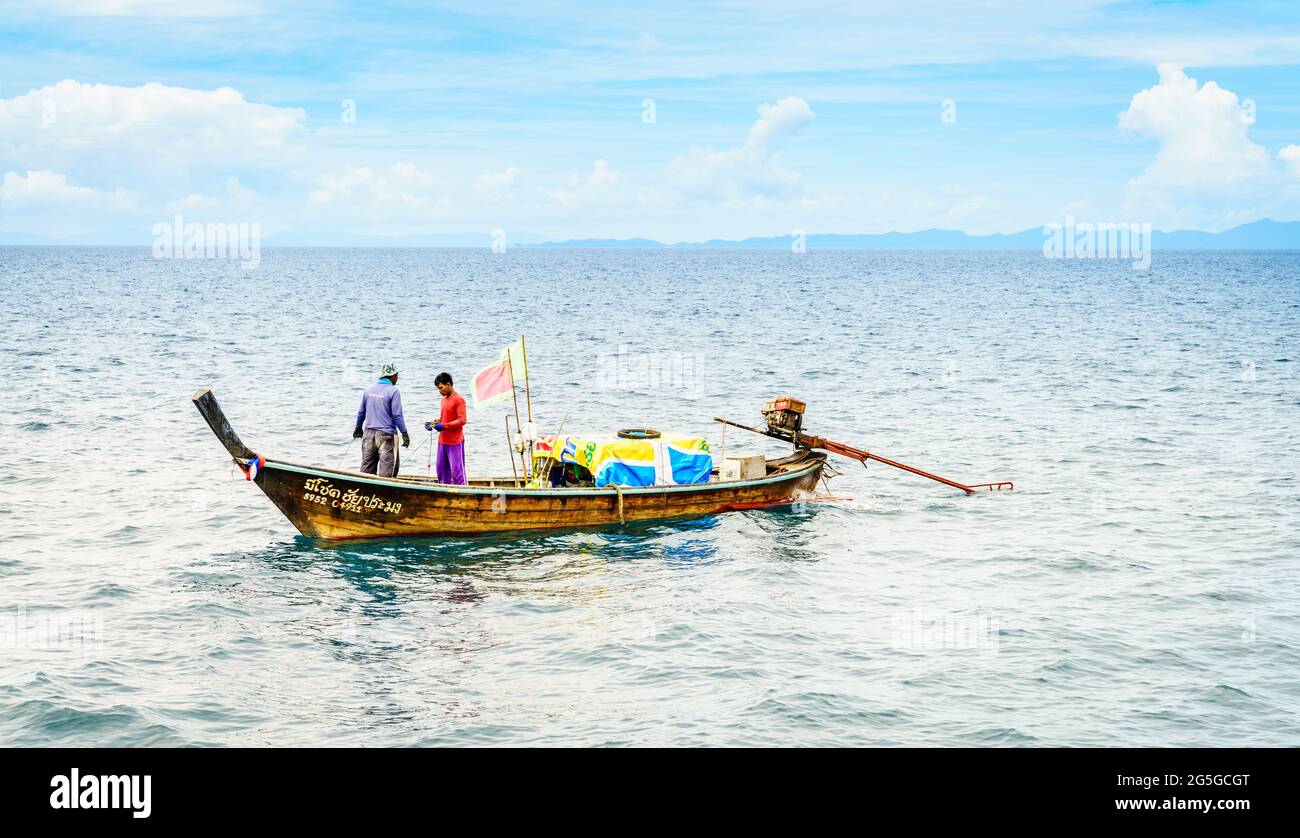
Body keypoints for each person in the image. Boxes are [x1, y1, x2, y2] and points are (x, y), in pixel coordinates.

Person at [353, 363, 409, 477]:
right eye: (397, 376)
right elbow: (397, 415)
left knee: (366, 473)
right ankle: (385, 494)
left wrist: (358, 428)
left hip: (368, 434)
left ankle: (365, 493)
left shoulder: (368, 390)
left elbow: (361, 412)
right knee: (387, 474)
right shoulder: (394, 391)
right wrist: (404, 433)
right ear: (393, 376)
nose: (397, 379)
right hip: (386, 436)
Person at [424, 372, 467, 485]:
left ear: (448, 384)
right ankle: (445, 491)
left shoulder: (459, 400)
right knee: (441, 469)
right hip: (442, 441)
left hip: (455, 442)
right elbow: (444, 418)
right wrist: (434, 423)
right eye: (438, 388)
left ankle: (462, 493)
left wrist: (444, 426)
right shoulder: (443, 400)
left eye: (441, 388)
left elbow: (462, 420)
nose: (439, 391)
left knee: (457, 471)